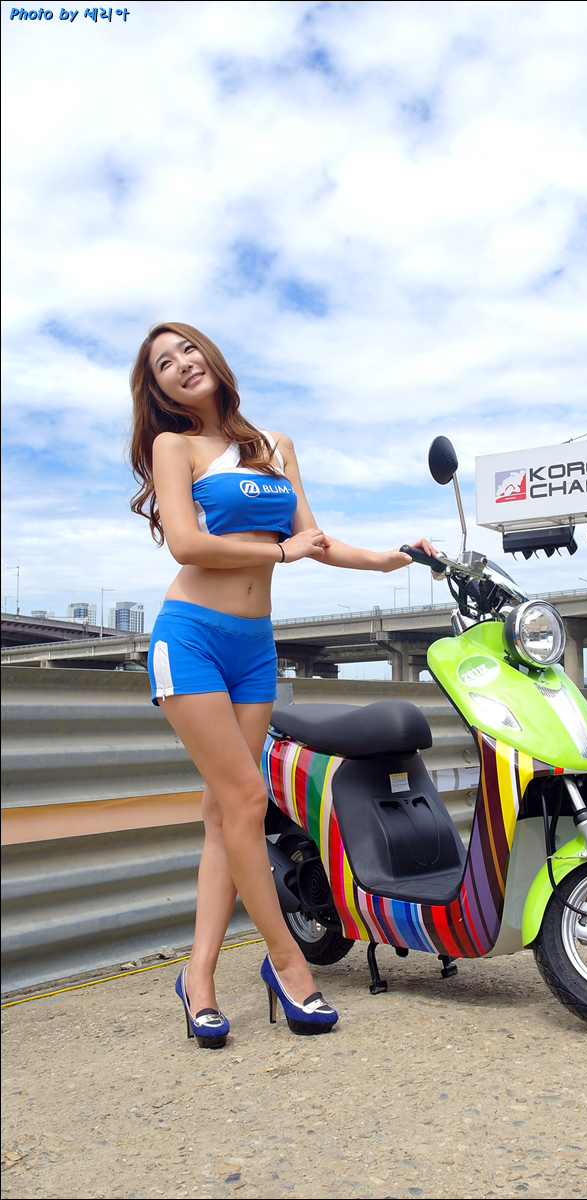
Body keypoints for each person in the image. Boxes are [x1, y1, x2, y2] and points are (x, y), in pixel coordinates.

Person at [130, 321, 434, 1046]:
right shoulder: (175, 447)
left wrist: (390, 559)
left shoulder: (274, 445)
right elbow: (186, 543)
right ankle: (288, 962)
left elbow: (315, 539)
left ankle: (198, 978)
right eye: (164, 364)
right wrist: (281, 553)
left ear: (211, 355)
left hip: (253, 649)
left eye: (188, 349)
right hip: (191, 638)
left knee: (223, 817)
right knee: (246, 800)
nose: (182, 364)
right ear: (159, 390)